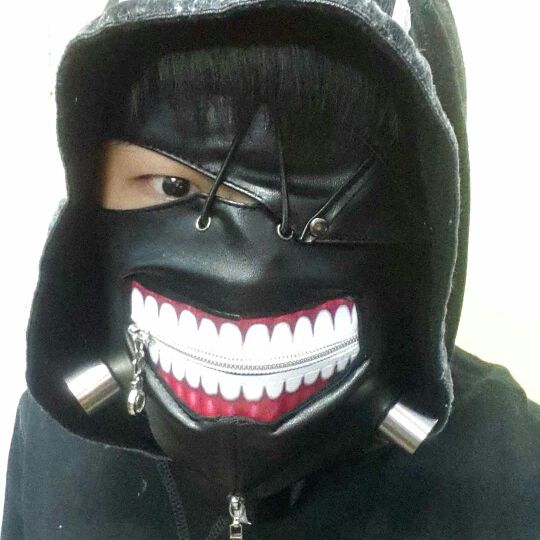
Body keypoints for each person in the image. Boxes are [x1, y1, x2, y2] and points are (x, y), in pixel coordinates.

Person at [2, 0, 539, 538]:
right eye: (173, 186)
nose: (249, 271)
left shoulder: (509, 464)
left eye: (322, 203)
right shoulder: (55, 440)